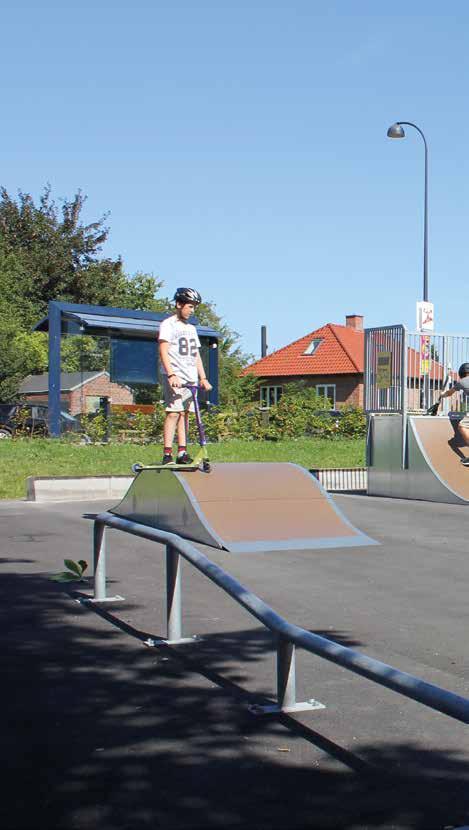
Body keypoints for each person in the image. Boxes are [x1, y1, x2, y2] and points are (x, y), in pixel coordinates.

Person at [158, 287, 212, 465]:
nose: (192, 310)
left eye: (194, 307)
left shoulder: (191, 329)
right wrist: (171, 374)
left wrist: (203, 378)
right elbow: (163, 351)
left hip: (190, 377)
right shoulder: (168, 324)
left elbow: (196, 355)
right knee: (174, 412)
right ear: (179, 304)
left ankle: (182, 451)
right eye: (190, 306)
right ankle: (167, 453)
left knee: (186, 414)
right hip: (176, 377)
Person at [437, 362, 469, 466]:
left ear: (462, 373)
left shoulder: (462, 382)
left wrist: (442, 395)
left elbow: (449, 393)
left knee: (462, 426)